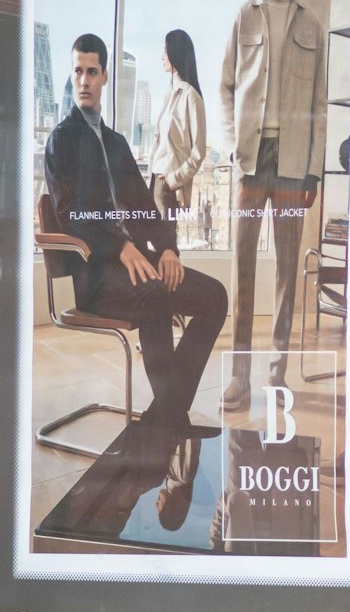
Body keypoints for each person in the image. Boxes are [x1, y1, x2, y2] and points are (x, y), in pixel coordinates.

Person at [44, 33, 227, 426]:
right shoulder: (62, 141)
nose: (84, 80)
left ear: (105, 77)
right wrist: (121, 247)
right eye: (78, 71)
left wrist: (167, 249)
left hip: (137, 263)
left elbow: (146, 208)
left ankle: (166, 413)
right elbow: (70, 215)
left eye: (92, 71)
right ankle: (171, 419)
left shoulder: (116, 143)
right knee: (155, 297)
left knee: (215, 297)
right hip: (95, 274)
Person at [218, 0, 329, 407]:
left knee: (287, 269)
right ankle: (239, 376)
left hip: (291, 164)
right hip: (250, 160)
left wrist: (313, 171)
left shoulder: (313, 25)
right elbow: (224, 87)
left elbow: (320, 106)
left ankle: (277, 373)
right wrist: (231, 143)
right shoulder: (244, 15)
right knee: (243, 266)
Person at [149, 28, 208, 226]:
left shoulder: (191, 97)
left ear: (175, 52)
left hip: (170, 187)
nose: (161, 57)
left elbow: (198, 153)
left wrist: (173, 180)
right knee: (153, 247)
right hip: (154, 182)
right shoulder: (169, 95)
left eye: (165, 50)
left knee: (167, 248)